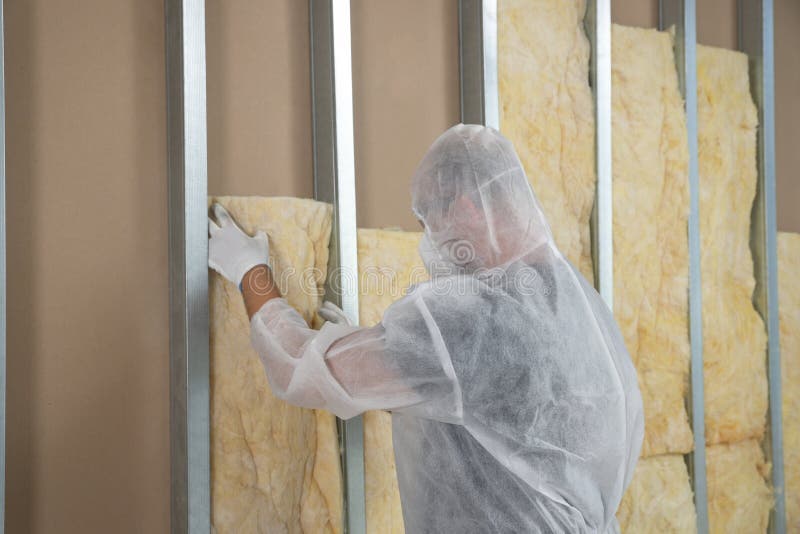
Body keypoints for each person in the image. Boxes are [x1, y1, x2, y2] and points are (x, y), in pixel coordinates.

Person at [208, 124, 644, 533]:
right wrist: (381, 365)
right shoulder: (577, 304)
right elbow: (499, 416)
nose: (430, 242)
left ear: (465, 206)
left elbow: (298, 367)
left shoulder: (474, 316)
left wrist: (250, 272)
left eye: (427, 222)